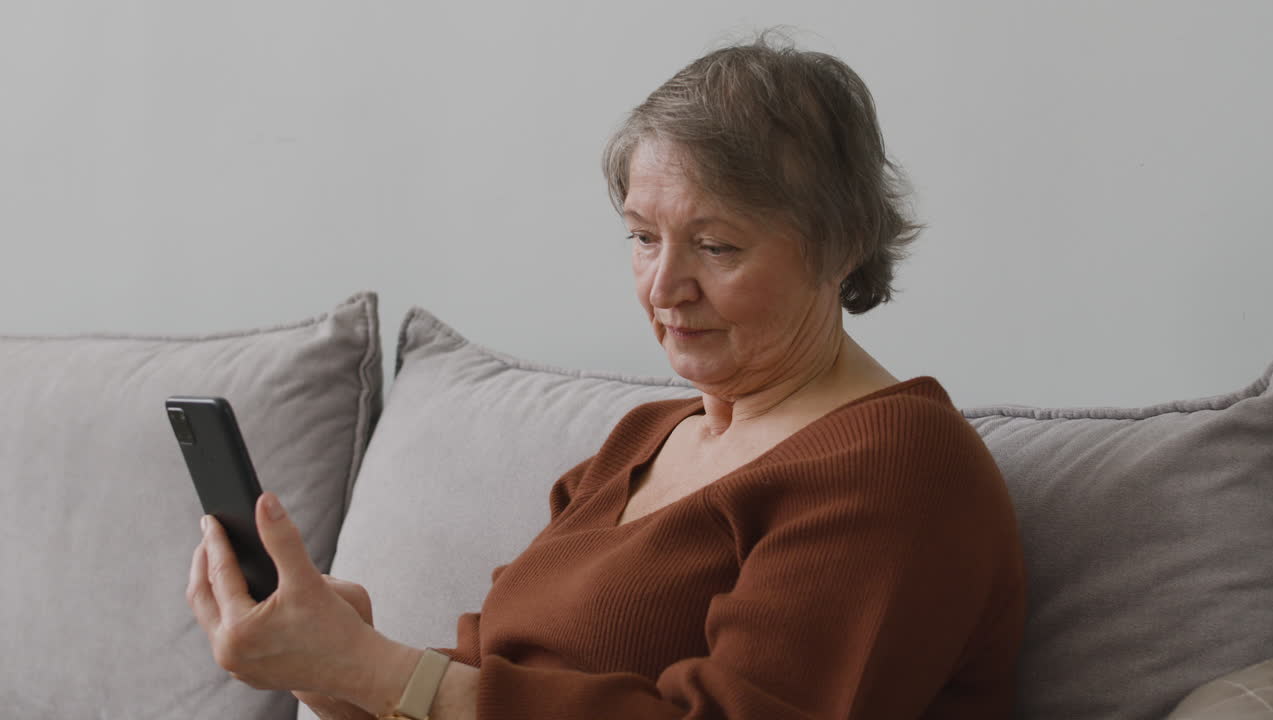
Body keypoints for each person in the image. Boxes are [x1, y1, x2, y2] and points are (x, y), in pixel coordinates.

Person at [187, 31, 1026, 719]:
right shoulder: (644, 438)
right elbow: (494, 685)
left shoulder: (897, 463)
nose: (664, 288)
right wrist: (328, 665)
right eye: (641, 237)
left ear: (842, 247)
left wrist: (373, 671)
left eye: (717, 245)